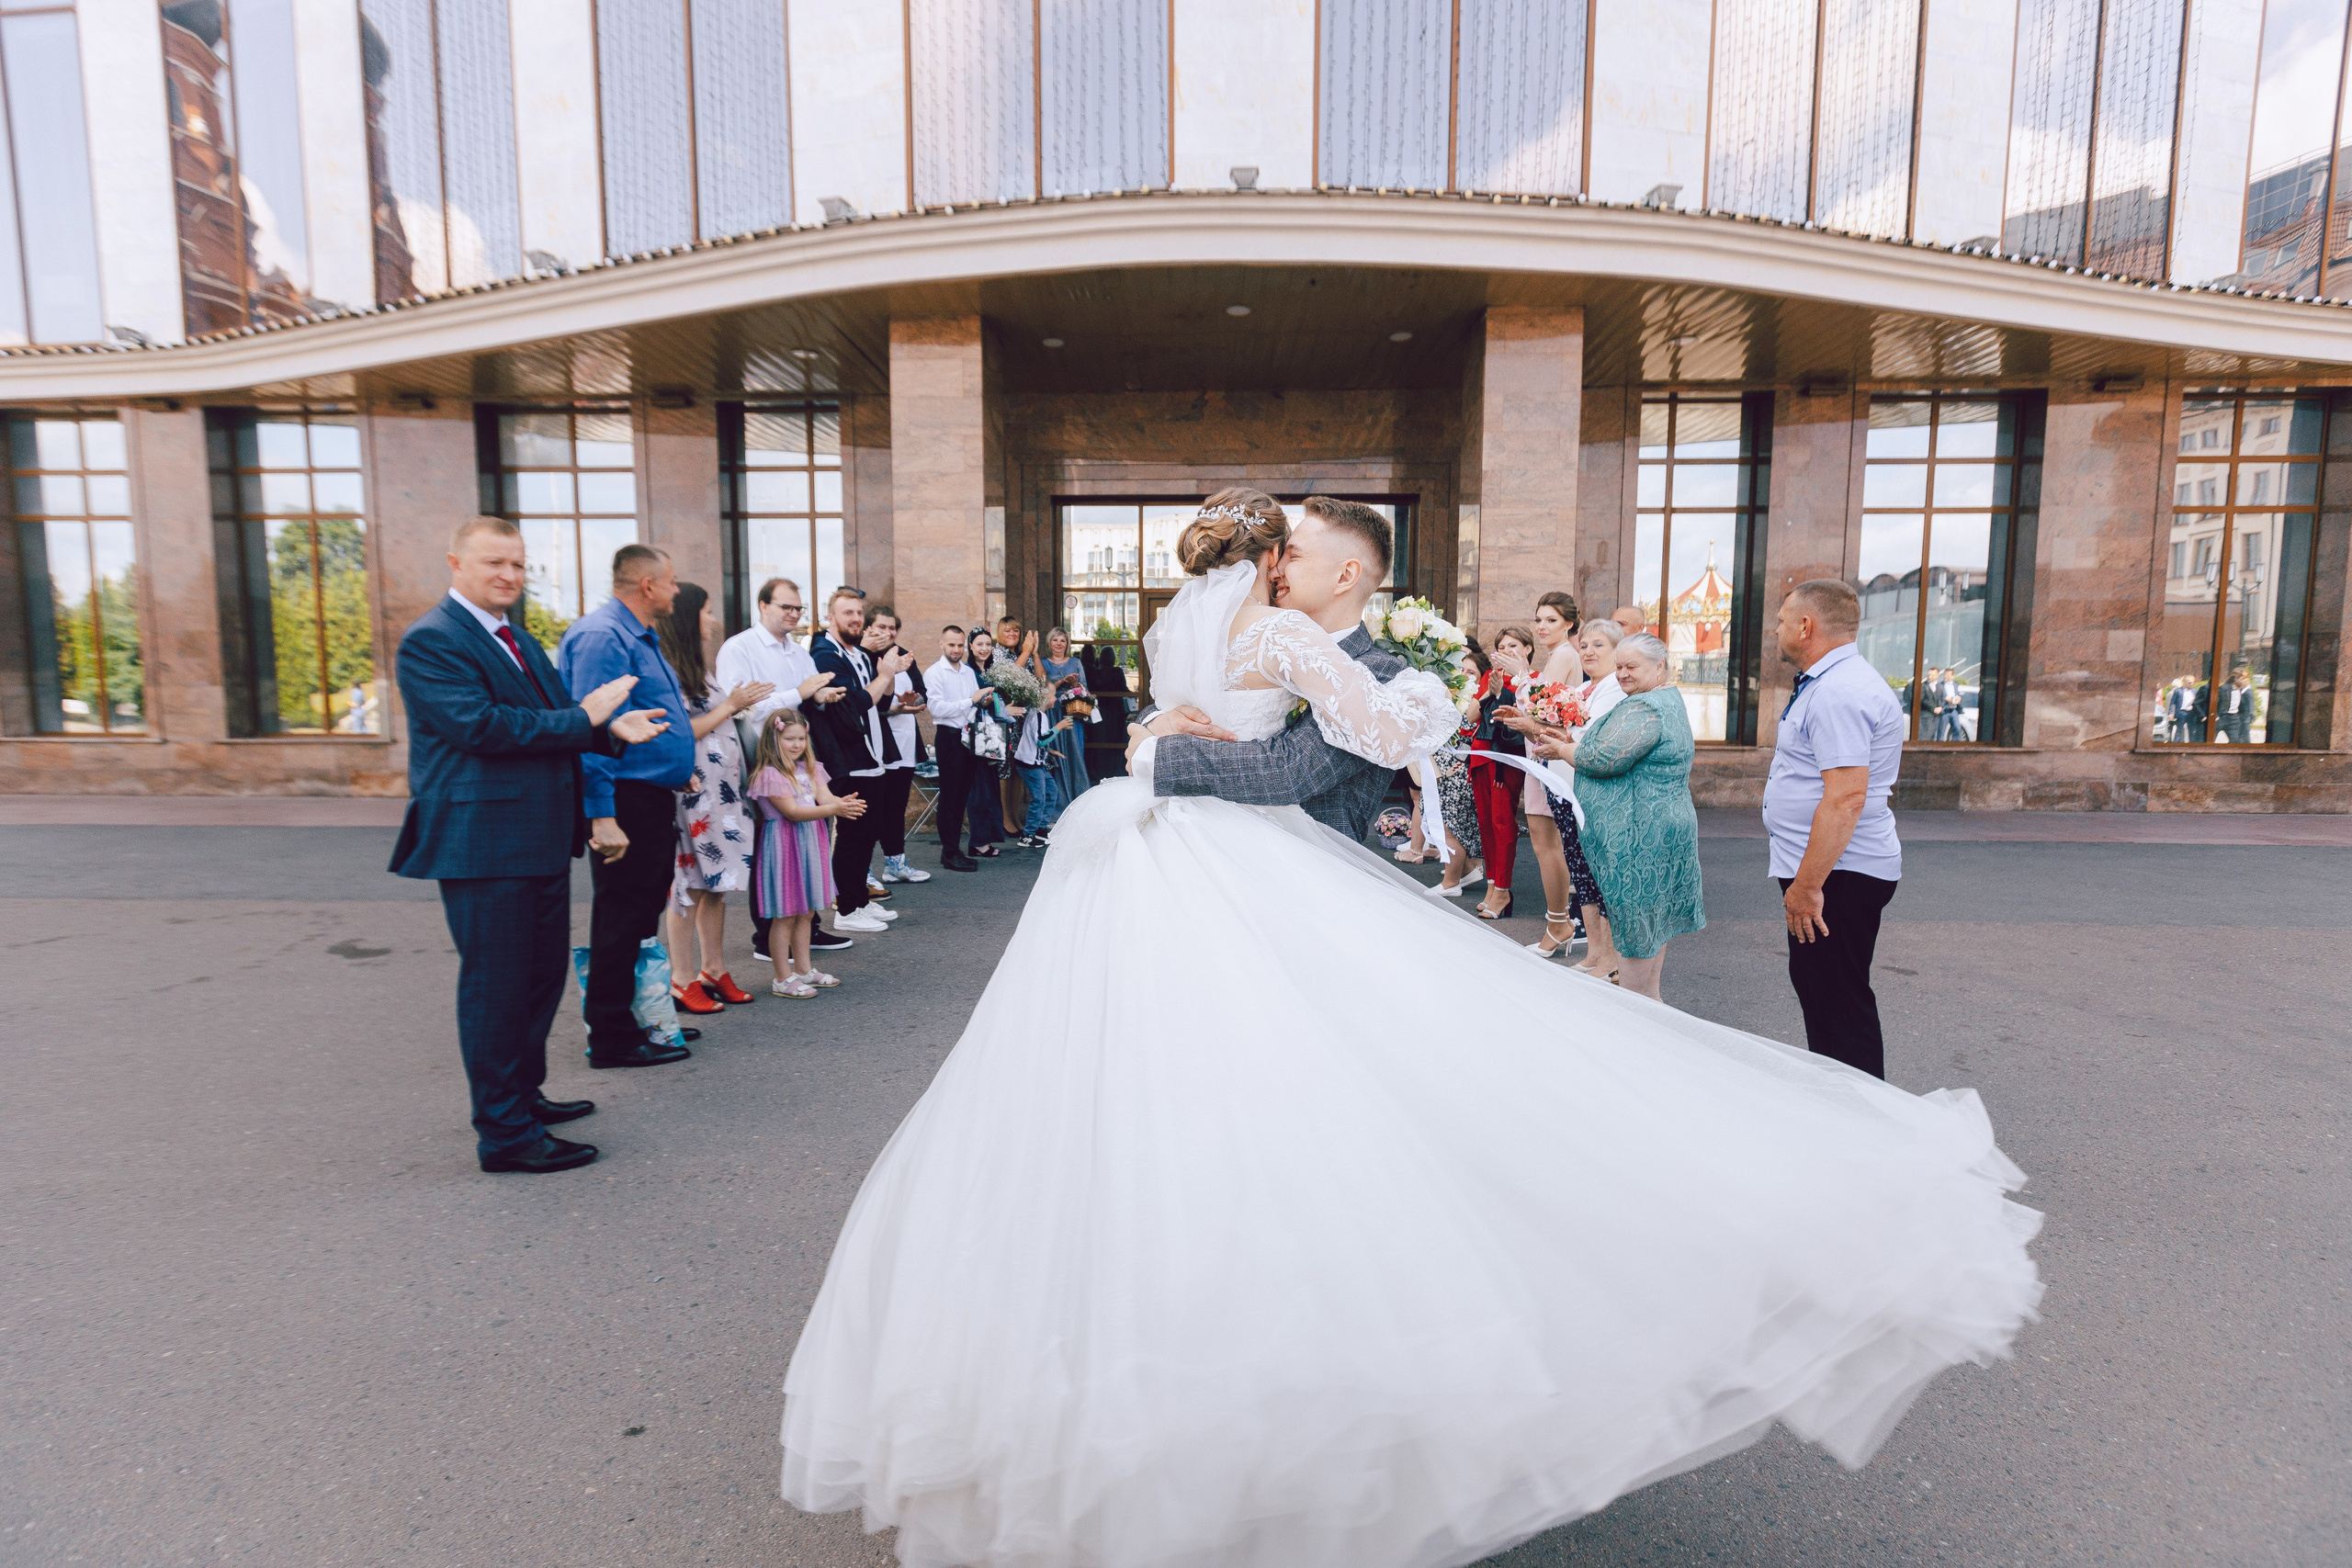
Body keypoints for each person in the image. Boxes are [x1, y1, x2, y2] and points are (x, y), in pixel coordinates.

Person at [779, 498, 2042, 1567]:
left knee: (1146, 1106)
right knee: (1302, 1091)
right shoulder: (1274, 624)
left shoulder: (1203, 625)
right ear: (1295, 561)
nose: (1295, 567)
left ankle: (1174, 1400)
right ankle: (1273, 1393)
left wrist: (1179, 741)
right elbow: (1357, 744)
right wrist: (1421, 701)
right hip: (1220, 862)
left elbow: (1233, 744)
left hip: (1158, 866)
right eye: (1298, 549)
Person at [389, 514, 671, 1174]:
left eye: (517, 564)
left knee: (538, 977)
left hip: (536, 838)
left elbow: (553, 724)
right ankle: (505, 1135)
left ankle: (521, 1096)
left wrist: (609, 729)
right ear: (456, 561)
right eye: (494, 563)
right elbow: (482, 727)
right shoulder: (432, 640)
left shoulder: (515, 636)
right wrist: (588, 717)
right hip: (483, 844)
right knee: (496, 987)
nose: (509, 576)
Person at [557, 544, 701, 1069]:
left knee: (640, 911)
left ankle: (648, 1014)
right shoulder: (602, 637)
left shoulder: (639, 633)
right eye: (672, 580)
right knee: (620, 915)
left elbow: (648, 718)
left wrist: (673, 765)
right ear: (647, 586)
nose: (677, 590)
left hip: (649, 792)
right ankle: (613, 1036)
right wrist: (602, 815)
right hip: (621, 798)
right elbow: (590, 730)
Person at [1764, 579, 1906, 1080]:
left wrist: (1807, 887)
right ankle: (1840, 1114)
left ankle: (1862, 1126)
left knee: (1838, 1001)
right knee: (1824, 993)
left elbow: (1846, 797)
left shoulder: (1841, 691)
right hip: (1833, 868)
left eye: (1782, 620)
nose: (1776, 628)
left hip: (1838, 873)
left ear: (1807, 626)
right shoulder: (1830, 683)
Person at [718, 575, 856, 963]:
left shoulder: (797, 652)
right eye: (787, 607)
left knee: (808, 841)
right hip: (760, 760)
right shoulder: (739, 647)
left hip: (798, 755)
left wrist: (823, 694)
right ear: (763, 606)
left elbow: (806, 696)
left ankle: (805, 927)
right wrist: (801, 692)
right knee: (773, 846)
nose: (794, 614)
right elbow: (742, 706)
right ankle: (767, 935)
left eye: (799, 608)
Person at [1559, 633, 1704, 1001]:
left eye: (1631, 667)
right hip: (1662, 826)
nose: (1622, 674)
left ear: (1660, 667)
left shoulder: (1645, 708)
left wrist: (1560, 747)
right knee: (1653, 924)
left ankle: (1640, 1021)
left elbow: (1603, 759)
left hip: (1642, 835)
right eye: (1619, 666)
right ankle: (1650, 1006)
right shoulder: (1664, 698)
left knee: (1638, 927)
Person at [655, 581, 773, 1015]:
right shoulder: (667, 668)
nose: (712, 619)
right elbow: (681, 733)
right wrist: (732, 704)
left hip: (721, 795)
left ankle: (714, 969)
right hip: (693, 794)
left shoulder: (697, 668)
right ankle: (682, 979)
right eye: (705, 611)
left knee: (717, 885)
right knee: (686, 887)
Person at [807, 587, 910, 935]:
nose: (855, 618)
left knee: (867, 833)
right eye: (847, 613)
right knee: (852, 835)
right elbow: (849, 706)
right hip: (848, 759)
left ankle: (861, 901)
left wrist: (888, 674)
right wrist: (883, 676)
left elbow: (877, 703)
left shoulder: (859, 655)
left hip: (874, 755)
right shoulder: (825, 654)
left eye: (858, 613)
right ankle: (847, 907)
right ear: (830, 618)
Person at [748, 709, 865, 998]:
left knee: (807, 911)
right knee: (785, 912)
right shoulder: (770, 775)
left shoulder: (810, 768)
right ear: (774, 738)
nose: (797, 744)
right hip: (784, 844)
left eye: (801, 738)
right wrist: (834, 809)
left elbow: (825, 798)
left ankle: (803, 969)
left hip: (810, 841)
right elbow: (793, 812)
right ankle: (781, 977)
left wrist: (841, 802)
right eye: (789, 739)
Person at [1494, 591, 1587, 950]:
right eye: (1538, 619)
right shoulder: (1559, 656)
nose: (1542, 626)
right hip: (1541, 756)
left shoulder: (1564, 654)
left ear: (1568, 624)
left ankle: (1559, 924)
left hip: (1550, 757)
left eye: (1551, 620)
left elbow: (1541, 710)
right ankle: (1559, 923)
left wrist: (1521, 677)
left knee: (1549, 845)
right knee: (1544, 842)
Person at [864, 606, 933, 889]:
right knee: (871, 809)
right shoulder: (863, 656)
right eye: (881, 627)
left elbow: (922, 689)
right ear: (868, 628)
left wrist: (915, 699)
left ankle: (895, 864)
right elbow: (862, 702)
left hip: (904, 742)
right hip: (876, 744)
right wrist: (891, 708)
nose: (888, 633)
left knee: (896, 806)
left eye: (892, 628)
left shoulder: (905, 655)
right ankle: (863, 869)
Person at [1464, 626, 1530, 919]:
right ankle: (1493, 886)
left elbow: (1527, 714)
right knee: (1486, 822)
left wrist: (1504, 692)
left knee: (1503, 821)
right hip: (1481, 751)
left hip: (1506, 754)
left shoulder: (1532, 679)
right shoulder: (1493, 677)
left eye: (1513, 646)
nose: (1507, 652)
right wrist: (1490, 693)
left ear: (1527, 649)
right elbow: (1470, 715)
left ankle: (1503, 889)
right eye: (1502, 647)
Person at [923, 625, 983, 872]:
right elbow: (937, 709)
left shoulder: (968, 672)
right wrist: (971, 700)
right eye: (951, 645)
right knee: (949, 796)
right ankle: (949, 853)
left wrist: (978, 703)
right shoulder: (934, 673)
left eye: (960, 645)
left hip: (967, 737)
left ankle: (954, 849)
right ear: (941, 644)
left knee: (962, 797)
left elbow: (972, 706)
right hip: (948, 738)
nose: (956, 649)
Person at [961, 629, 1008, 858]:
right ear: (970, 646)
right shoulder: (967, 671)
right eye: (979, 644)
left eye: (988, 644)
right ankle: (978, 842)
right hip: (975, 735)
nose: (984, 648)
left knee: (989, 787)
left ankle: (984, 839)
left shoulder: (988, 670)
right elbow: (968, 701)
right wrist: (984, 701)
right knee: (978, 789)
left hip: (990, 734)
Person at [1037, 626, 1094, 807]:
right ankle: (1058, 803)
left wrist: (1074, 683)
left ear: (1067, 644)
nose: (1059, 644)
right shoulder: (1044, 663)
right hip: (1053, 714)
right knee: (1055, 756)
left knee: (1074, 754)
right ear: (1049, 643)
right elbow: (1041, 685)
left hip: (1072, 713)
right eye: (1055, 640)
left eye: (1062, 641)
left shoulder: (1076, 662)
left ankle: (1078, 800)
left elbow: (1084, 688)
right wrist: (1061, 682)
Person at [2215, 666, 2257, 742]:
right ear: (2235, 678)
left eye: (2245, 678)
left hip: (2234, 719)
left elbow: (2245, 706)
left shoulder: (2242, 690)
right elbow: (2216, 702)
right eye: (2242, 678)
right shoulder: (2224, 688)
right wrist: (2216, 715)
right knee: (2211, 740)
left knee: (2235, 741)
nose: (2244, 681)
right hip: (2222, 717)